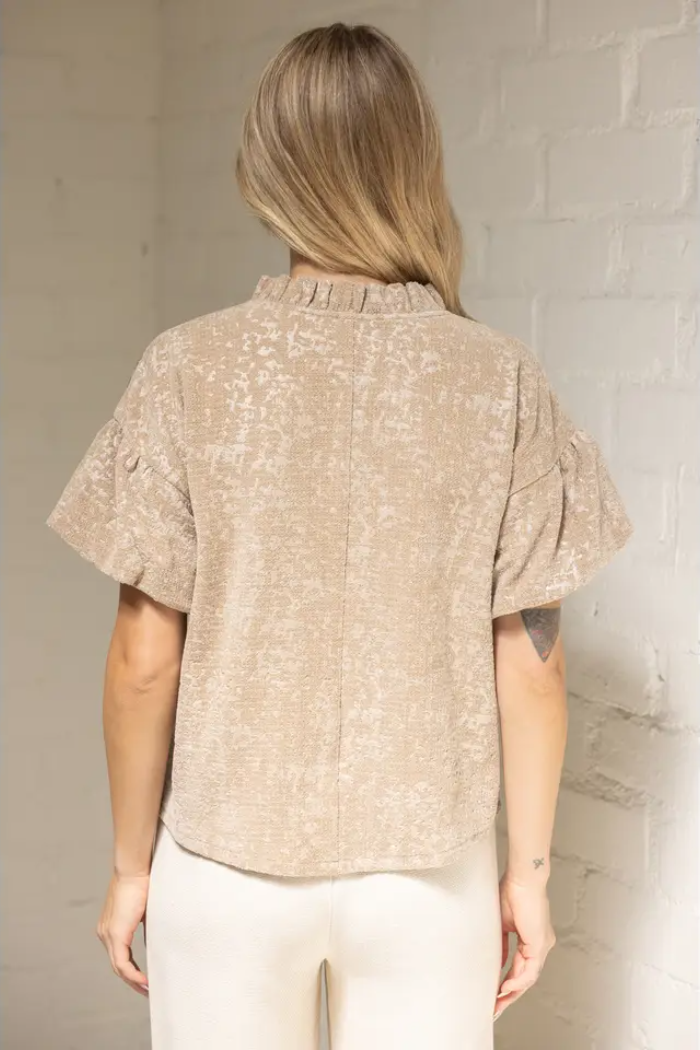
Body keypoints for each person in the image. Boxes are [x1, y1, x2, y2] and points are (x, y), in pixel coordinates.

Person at [46, 22, 633, 1050]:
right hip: (428, 879)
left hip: (225, 869)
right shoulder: (496, 378)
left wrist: (132, 867)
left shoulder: (189, 369)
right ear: (415, 163)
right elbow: (533, 664)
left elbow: (144, 657)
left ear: (266, 169)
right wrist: (528, 879)